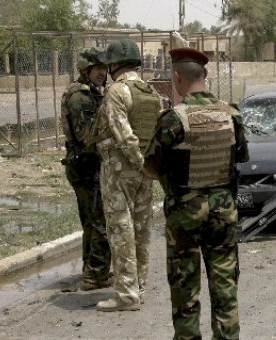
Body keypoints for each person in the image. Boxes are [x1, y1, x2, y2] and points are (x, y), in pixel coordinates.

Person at [144, 46, 249, 340]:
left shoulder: (172, 120)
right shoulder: (231, 114)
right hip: (223, 212)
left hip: (185, 216)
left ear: (177, 77)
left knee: (184, 288)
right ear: (205, 75)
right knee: (225, 283)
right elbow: (239, 156)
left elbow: (150, 168)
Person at [87, 38, 164, 311]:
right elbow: (158, 133)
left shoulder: (117, 91)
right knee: (142, 231)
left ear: (114, 64)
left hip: (120, 171)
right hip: (146, 174)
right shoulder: (150, 92)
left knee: (121, 231)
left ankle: (126, 296)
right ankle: (138, 289)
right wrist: (150, 166)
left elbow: (123, 134)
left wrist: (138, 161)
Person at [60, 47, 112, 291]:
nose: (102, 73)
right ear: (86, 70)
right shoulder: (81, 97)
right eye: (98, 69)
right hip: (85, 165)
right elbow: (87, 137)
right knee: (99, 219)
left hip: (86, 164)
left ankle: (92, 270)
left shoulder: (91, 93)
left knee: (92, 221)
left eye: (104, 68)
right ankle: (96, 274)